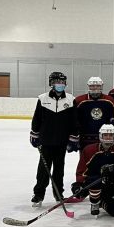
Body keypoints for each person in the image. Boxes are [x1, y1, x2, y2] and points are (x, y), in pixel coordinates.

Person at [30, 71, 79, 206]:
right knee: (43, 170)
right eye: (57, 82)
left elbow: (74, 122)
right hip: (46, 142)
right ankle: (38, 195)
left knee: (59, 170)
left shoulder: (70, 100)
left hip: (61, 142)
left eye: (62, 82)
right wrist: (35, 135)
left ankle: (58, 195)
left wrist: (73, 139)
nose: (60, 85)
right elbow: (37, 120)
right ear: (51, 83)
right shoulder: (43, 99)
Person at [72, 124, 114, 216]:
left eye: (111, 135)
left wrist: (113, 171)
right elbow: (81, 169)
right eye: (105, 135)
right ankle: (95, 202)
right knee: (94, 182)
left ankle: (101, 202)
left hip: (111, 184)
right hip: (94, 181)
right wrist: (79, 183)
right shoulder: (89, 150)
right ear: (101, 136)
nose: (108, 137)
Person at [74, 76, 114, 150]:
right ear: (88, 86)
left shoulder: (109, 101)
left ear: (102, 86)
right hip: (85, 139)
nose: (95, 88)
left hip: (105, 138)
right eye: (92, 86)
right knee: (85, 159)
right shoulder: (79, 101)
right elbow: (74, 120)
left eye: (98, 86)